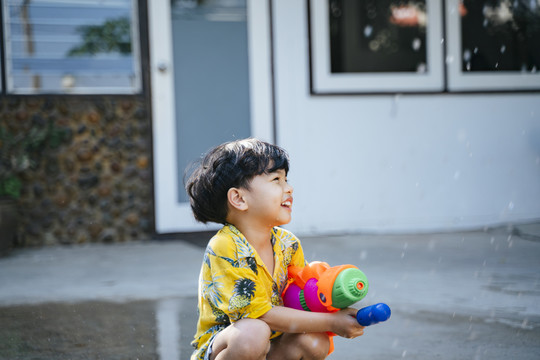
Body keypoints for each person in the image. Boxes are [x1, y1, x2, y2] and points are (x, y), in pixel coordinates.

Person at [186, 138, 364, 360]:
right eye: (276, 179)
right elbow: (262, 315)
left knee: (315, 340)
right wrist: (332, 322)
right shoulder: (226, 246)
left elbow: (299, 299)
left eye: (286, 179)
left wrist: (329, 298)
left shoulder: (287, 244)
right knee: (253, 332)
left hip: (272, 342)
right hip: (229, 344)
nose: (288, 188)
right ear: (239, 198)